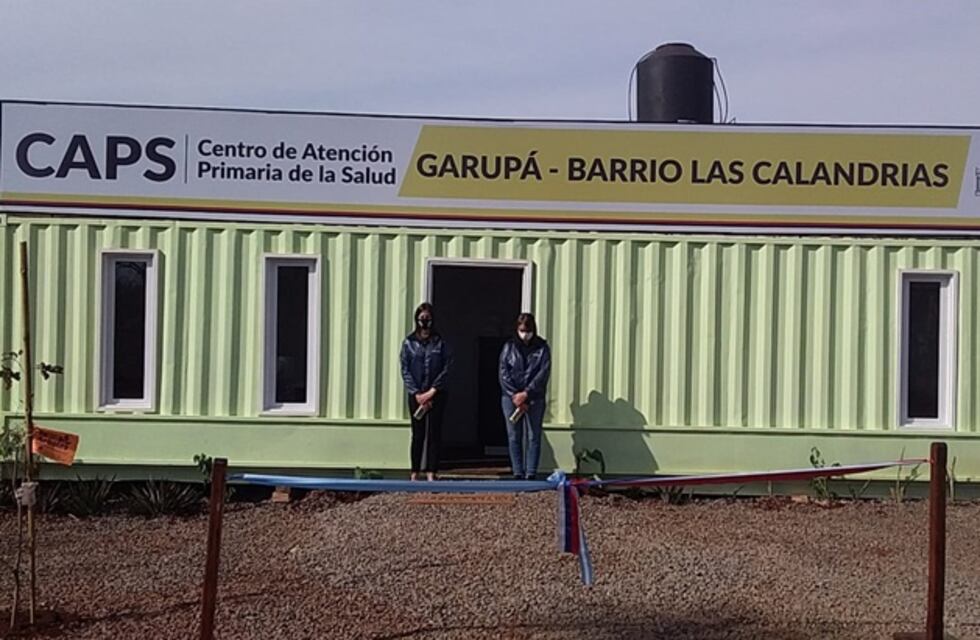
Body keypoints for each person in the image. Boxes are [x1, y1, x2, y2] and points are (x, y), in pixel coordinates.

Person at [400, 302, 452, 481]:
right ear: (416, 320)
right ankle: (415, 471)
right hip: (416, 395)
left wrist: (432, 391)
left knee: (434, 433)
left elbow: (447, 367)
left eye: (427, 319)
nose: (424, 322)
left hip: (436, 394)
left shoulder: (440, 343)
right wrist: (417, 393)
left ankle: (432, 471)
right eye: (421, 319)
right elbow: (405, 369)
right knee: (418, 433)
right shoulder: (409, 343)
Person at [499, 313, 551, 480]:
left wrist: (527, 393)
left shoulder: (542, 348)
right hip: (510, 397)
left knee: (533, 435)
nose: (524, 334)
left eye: (527, 330)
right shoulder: (509, 346)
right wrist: (515, 395)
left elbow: (543, 373)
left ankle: (531, 472)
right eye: (521, 330)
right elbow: (503, 372)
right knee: (514, 435)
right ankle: (517, 471)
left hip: (534, 397)